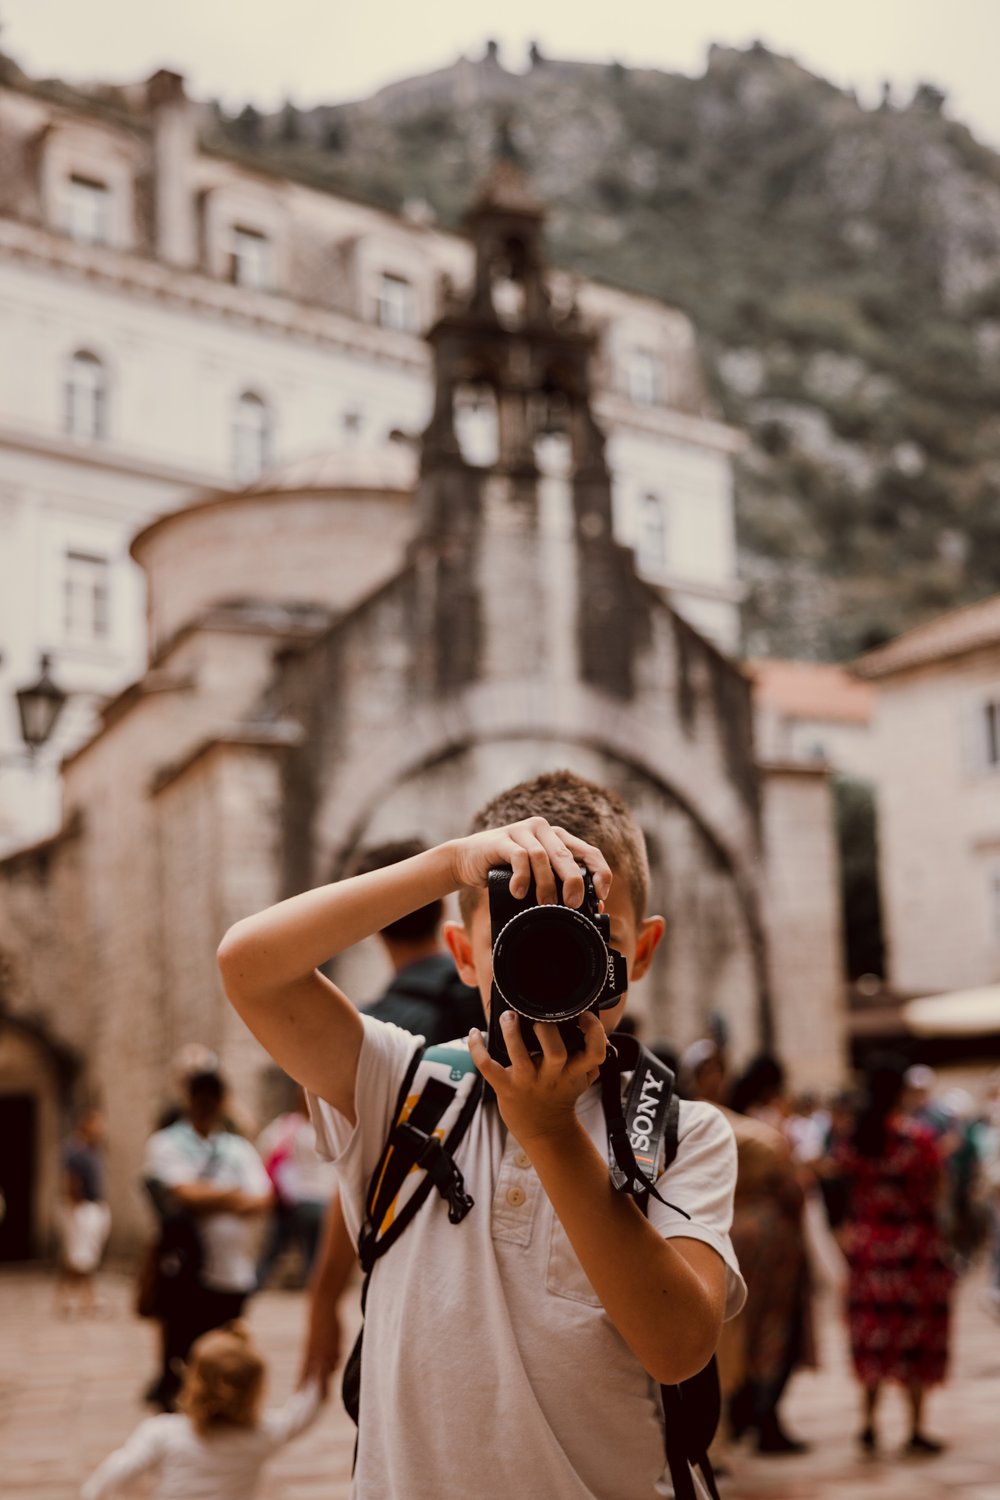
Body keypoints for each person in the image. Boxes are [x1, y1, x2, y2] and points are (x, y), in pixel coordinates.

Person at [219, 768, 746, 1499]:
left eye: (593, 935)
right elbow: (249, 966)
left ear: (643, 952)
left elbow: (681, 1347)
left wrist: (552, 1135)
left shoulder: (684, 1131)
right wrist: (449, 863)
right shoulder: (401, 1088)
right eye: (522, 935)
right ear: (464, 954)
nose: (558, 960)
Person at [300, 837, 483, 1391]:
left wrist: (322, 1300)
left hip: (419, 1269)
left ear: (373, 923)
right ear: (444, 907)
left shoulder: (368, 1033)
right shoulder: (497, 998)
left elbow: (350, 1176)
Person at [681, 1041, 812, 1456]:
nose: (715, 1079)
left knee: (747, 1332)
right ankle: (747, 1417)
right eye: (708, 1071)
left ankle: (751, 1415)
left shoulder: (710, 1124)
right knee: (742, 1332)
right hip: (742, 1239)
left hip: (750, 1240)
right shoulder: (707, 1125)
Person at [832, 1053, 953, 1456]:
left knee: (873, 1331)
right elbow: (936, 1192)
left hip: (868, 1249)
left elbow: (840, 1190)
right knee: (915, 1336)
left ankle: (867, 1422)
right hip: (912, 1248)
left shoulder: (855, 1139)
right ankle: (915, 1427)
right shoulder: (917, 1140)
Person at [142, 1067, 274, 1412]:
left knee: (227, 1350)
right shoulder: (167, 1143)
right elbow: (183, 1194)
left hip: (233, 1269)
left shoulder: (236, 1148)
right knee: (182, 1347)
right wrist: (233, 1198)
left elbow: (262, 1199)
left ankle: (220, 1410)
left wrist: (209, 1198)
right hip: (185, 1267)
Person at [80, 1321, 322, 1499]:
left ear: (193, 1383)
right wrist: (318, 1368)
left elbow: (111, 1476)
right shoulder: (263, 1434)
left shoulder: (162, 1432)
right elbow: (303, 1412)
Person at [255, 1094, 337, 1289]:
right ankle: (315, 1288)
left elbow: (265, 1148)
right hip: (322, 1200)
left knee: (276, 1245)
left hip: (295, 1199)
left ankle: (256, 1281)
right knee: (314, 1252)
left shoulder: (287, 1126)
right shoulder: (328, 1127)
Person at [56, 1108, 111, 1317]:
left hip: (94, 1206)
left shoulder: (93, 1149)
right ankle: (85, 1301)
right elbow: (70, 1180)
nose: (102, 1128)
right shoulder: (75, 1149)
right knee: (80, 1257)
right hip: (82, 1208)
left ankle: (72, 1300)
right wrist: (73, 1209)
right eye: (97, 1123)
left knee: (82, 1258)